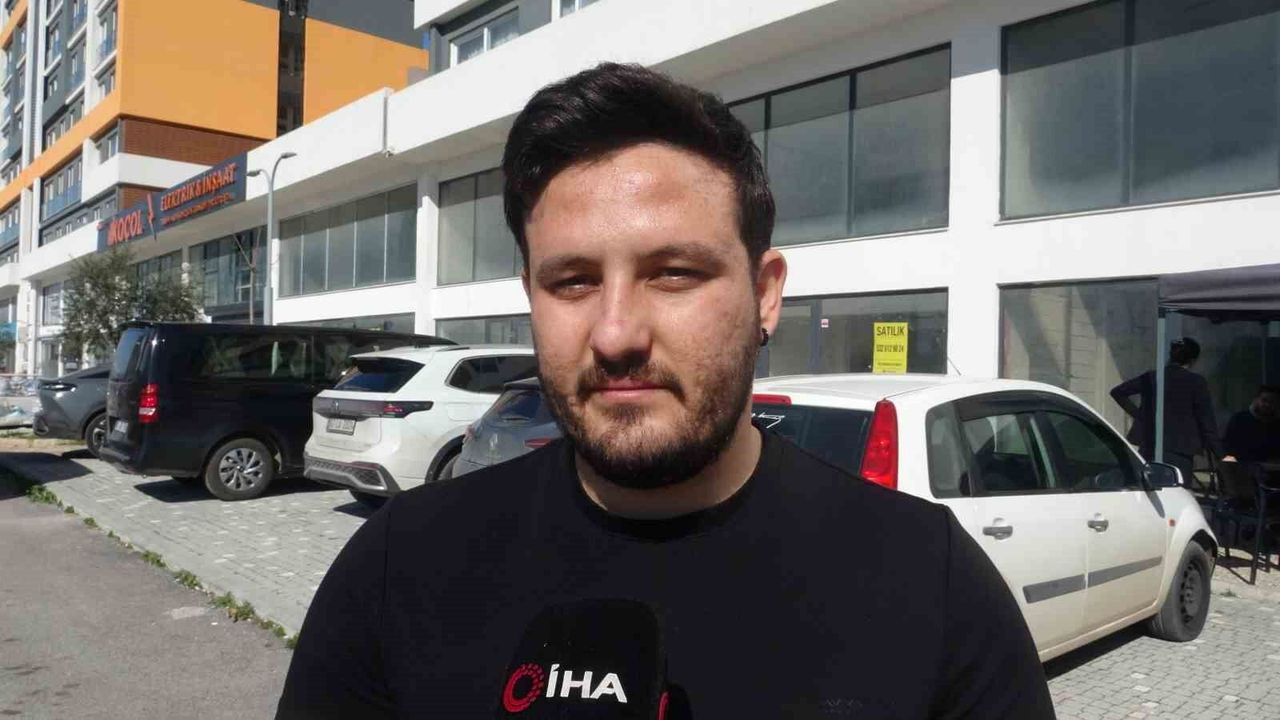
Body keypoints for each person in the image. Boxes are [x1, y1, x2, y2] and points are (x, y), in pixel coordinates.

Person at [276, 63, 1054, 719]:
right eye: (572, 281)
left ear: (765, 294)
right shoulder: (400, 568)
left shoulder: (931, 587)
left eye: (674, 273)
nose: (616, 333)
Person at [1111, 337, 1222, 482]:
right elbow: (1206, 421)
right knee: (1177, 490)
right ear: (1193, 360)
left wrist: (1140, 415)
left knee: (1149, 487)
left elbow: (1118, 392)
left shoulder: (1153, 377)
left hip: (1149, 445)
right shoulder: (1196, 382)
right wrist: (1221, 453)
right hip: (1180, 450)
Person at [1222, 385, 1280, 464]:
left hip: (1270, 468)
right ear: (1256, 399)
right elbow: (1228, 448)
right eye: (1264, 400)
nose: (1267, 404)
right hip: (1242, 467)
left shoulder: (1276, 425)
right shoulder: (1239, 419)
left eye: (1272, 402)